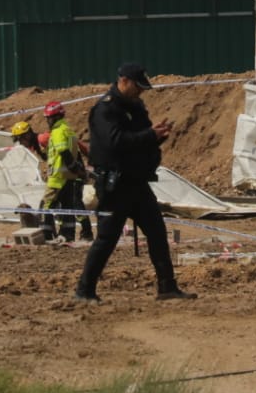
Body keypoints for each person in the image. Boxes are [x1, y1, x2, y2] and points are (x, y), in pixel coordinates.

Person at [73, 63, 195, 303]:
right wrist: (151, 135)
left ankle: (167, 287)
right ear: (124, 81)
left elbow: (140, 139)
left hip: (136, 182)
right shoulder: (105, 109)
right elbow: (115, 142)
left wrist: (157, 136)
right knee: (106, 239)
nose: (140, 92)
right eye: (137, 87)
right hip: (114, 186)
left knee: (157, 232)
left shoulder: (137, 107)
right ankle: (84, 290)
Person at [42, 101, 93, 243]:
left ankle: (46, 234)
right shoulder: (68, 130)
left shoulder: (58, 131)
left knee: (47, 204)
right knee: (67, 206)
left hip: (58, 176)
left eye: (49, 118)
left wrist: (73, 167)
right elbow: (74, 152)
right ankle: (68, 234)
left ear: (56, 117)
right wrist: (76, 169)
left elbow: (64, 151)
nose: (47, 121)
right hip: (70, 176)